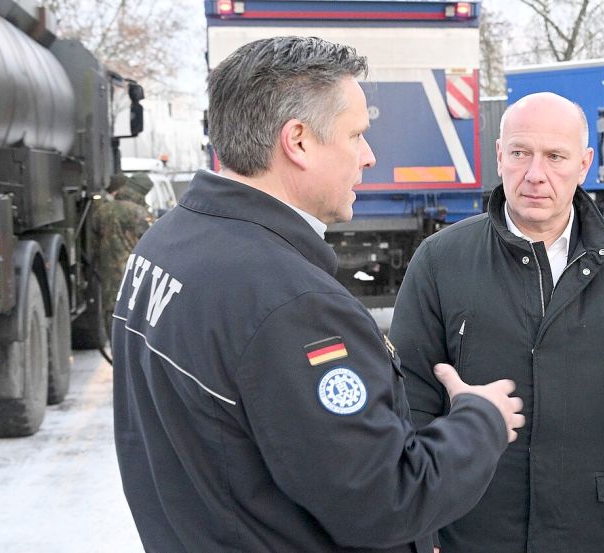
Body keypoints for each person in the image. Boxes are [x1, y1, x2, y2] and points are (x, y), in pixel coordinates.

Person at [112, 36, 524, 553]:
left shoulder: (166, 242)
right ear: (299, 142)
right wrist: (481, 419)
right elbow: (386, 500)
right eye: (356, 135)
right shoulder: (292, 304)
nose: (369, 156)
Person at [389, 92, 604, 553]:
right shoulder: (441, 261)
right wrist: (418, 528)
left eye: (556, 156)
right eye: (521, 153)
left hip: (600, 533)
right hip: (473, 531)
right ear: (500, 156)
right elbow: (408, 402)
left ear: (584, 164)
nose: (536, 173)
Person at [90, 172, 151, 341]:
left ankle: (116, 349)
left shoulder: (102, 211)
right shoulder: (140, 213)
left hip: (109, 274)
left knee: (112, 311)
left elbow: (93, 245)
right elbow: (153, 245)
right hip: (136, 275)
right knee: (137, 312)